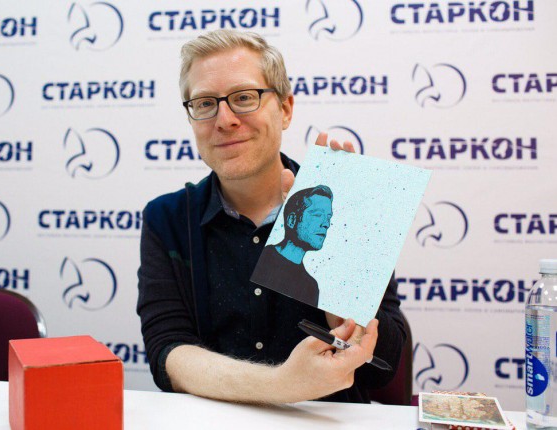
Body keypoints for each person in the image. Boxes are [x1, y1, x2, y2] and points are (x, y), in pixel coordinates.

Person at [137, 29, 405, 404]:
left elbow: (383, 368)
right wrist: (281, 385)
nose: (224, 119)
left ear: (285, 110)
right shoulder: (166, 219)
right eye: (205, 103)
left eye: (244, 97)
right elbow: (168, 353)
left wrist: (337, 278)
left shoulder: (343, 207)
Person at [251, 185, 334, 307]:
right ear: (292, 220)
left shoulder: (310, 286)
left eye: (328, 217)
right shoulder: (260, 258)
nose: (326, 224)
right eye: (317, 215)